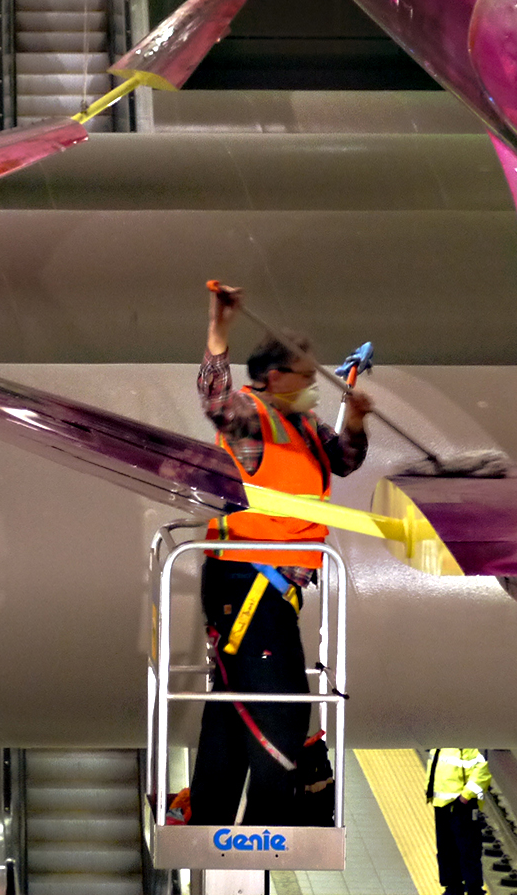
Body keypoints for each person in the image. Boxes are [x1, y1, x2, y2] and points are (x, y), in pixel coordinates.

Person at [188, 281, 371, 826]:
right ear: (273, 378)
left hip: (275, 589)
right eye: (307, 378)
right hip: (246, 583)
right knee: (282, 713)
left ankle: (212, 821)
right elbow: (213, 399)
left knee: (231, 712)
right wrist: (220, 329)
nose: (315, 387)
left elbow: (344, 461)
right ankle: (269, 828)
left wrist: (355, 419)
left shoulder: (305, 426)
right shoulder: (251, 419)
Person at [427, 748, 493, 895]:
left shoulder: (466, 747)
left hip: (462, 808)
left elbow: (482, 773)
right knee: (446, 850)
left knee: (468, 850)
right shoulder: (438, 746)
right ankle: (452, 887)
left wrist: (465, 797)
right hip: (441, 805)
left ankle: (474, 889)